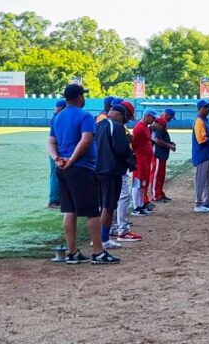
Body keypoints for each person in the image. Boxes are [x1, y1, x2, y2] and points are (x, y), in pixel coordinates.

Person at [48, 84, 120, 264]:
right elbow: (86, 140)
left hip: (63, 168)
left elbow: (51, 141)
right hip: (81, 168)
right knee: (92, 211)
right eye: (83, 95)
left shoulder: (58, 117)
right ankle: (98, 252)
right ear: (79, 97)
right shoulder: (85, 115)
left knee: (69, 209)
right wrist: (72, 159)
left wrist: (57, 158)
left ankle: (72, 252)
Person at [95, 104, 134, 250]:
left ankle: (98, 238)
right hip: (111, 171)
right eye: (124, 118)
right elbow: (122, 150)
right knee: (109, 206)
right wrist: (130, 161)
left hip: (96, 170)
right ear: (118, 114)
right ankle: (103, 239)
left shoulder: (98, 124)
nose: (124, 121)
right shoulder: (116, 126)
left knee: (101, 206)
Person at [112, 100, 143, 242]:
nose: (127, 119)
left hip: (108, 167)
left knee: (111, 198)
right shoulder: (115, 125)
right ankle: (122, 230)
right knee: (123, 196)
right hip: (116, 167)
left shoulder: (104, 122)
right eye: (127, 116)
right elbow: (120, 149)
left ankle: (113, 227)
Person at [131, 107, 158, 216]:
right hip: (140, 160)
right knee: (138, 183)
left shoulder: (145, 127)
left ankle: (141, 204)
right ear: (147, 116)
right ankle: (136, 207)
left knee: (143, 183)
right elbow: (134, 144)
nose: (154, 120)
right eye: (153, 118)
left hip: (145, 160)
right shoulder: (139, 128)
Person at [151, 116, 176, 202]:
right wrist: (169, 146)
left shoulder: (161, 128)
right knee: (156, 175)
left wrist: (170, 143)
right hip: (158, 155)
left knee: (161, 176)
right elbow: (157, 140)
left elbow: (161, 139)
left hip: (162, 156)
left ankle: (160, 193)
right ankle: (155, 195)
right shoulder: (158, 129)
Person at [48, 99, 66, 209]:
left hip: (56, 148)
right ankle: (54, 201)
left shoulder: (56, 116)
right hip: (56, 149)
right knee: (56, 174)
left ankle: (57, 199)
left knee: (57, 174)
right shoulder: (57, 118)